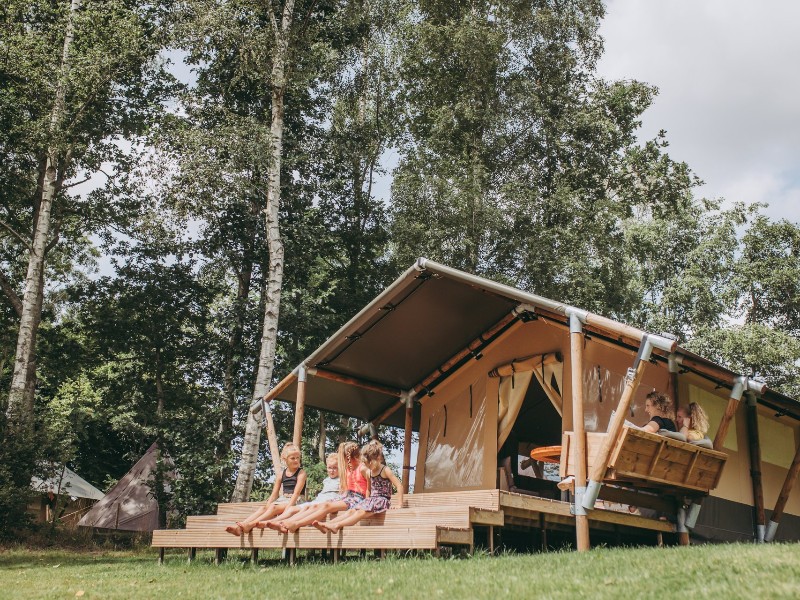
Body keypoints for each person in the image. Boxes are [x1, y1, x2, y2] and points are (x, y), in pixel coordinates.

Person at [269, 440, 369, 534]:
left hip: (357, 499)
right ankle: (286, 521)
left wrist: (366, 503)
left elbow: (369, 488)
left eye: (344, 460)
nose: (343, 463)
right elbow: (345, 489)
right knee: (316, 506)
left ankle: (296, 523)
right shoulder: (348, 469)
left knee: (326, 506)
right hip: (347, 497)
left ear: (352, 457)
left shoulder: (362, 468)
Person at [314, 439, 404, 534]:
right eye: (366, 464)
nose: (368, 466)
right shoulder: (370, 471)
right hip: (371, 500)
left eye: (369, 464)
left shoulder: (385, 470)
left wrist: (399, 504)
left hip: (382, 501)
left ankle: (337, 525)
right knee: (351, 511)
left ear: (378, 458)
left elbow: (399, 486)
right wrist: (366, 501)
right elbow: (369, 489)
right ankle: (328, 525)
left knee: (360, 512)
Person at [224, 442, 306, 536]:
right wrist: (267, 506)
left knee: (273, 507)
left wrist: (287, 509)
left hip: (296, 501)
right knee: (263, 508)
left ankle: (251, 524)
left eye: (298, 458)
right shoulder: (281, 474)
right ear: (285, 459)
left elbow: (296, 493)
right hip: (283, 500)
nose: (296, 460)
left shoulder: (301, 473)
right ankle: (240, 527)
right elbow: (274, 494)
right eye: (293, 458)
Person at [256, 452, 340, 530]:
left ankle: (283, 523)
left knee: (309, 508)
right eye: (329, 468)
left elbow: (342, 495)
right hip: (317, 501)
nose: (332, 471)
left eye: (335, 468)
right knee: (292, 509)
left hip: (326, 504)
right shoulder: (326, 480)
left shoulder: (341, 480)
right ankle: (274, 522)